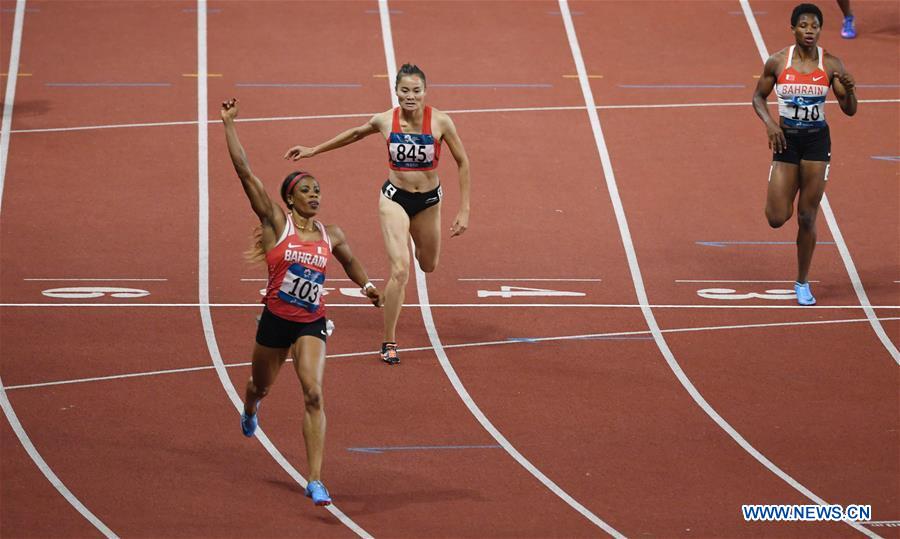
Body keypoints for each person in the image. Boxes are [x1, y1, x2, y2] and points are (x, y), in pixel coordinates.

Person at [221, 98, 383, 506]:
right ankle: (251, 408)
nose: (314, 194)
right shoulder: (278, 223)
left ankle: (315, 479)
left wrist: (368, 289)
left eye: (317, 190)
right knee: (261, 385)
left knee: (313, 393)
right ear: (290, 200)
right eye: (306, 190)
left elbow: (352, 263)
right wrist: (229, 126)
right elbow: (245, 173)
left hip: (311, 322)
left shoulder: (334, 234)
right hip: (275, 322)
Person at [284, 63, 471, 365]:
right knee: (400, 269)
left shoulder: (441, 122)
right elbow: (355, 134)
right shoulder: (385, 120)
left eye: (416, 91)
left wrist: (464, 210)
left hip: (428, 203)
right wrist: (314, 150)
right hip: (394, 200)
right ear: (396, 91)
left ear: (425, 92)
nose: (410, 96)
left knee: (429, 264)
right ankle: (389, 340)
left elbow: (463, 162)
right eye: (404, 90)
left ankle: (417, 245)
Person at [752, 3, 856, 305]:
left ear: (820, 30)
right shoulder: (777, 62)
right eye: (804, 26)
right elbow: (758, 96)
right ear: (793, 28)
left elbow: (849, 110)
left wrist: (849, 92)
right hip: (786, 143)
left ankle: (802, 282)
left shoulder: (832, 64)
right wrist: (771, 124)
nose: (810, 31)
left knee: (807, 216)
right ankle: (788, 185)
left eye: (815, 26)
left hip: (816, 144)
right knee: (776, 217)